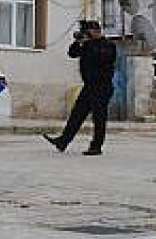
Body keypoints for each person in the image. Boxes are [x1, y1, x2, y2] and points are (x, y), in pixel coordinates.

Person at [43, 20, 117, 156]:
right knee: (76, 114)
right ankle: (63, 141)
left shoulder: (108, 45)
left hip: (102, 87)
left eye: (88, 32)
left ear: (96, 31)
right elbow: (72, 53)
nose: (86, 34)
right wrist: (79, 42)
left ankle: (96, 146)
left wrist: (88, 43)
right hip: (89, 86)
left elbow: (101, 57)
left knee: (99, 118)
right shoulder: (86, 44)